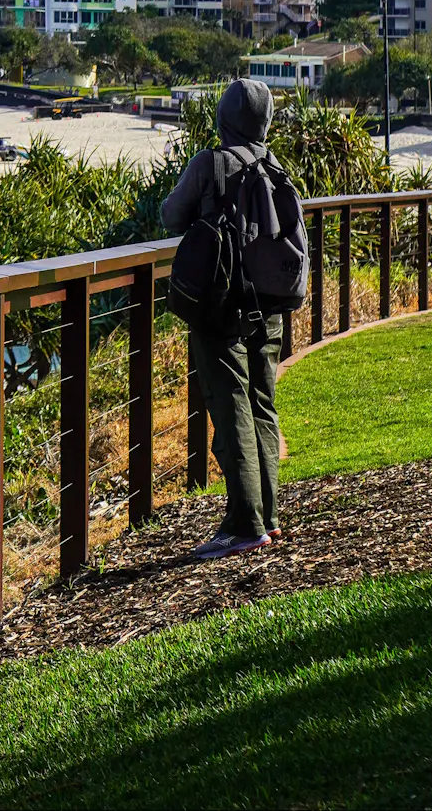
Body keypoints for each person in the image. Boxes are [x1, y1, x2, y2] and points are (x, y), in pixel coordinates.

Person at [161, 77, 285, 560]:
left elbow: (172, 217)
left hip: (221, 306)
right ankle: (267, 517)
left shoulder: (211, 164)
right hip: (268, 306)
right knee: (262, 403)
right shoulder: (275, 166)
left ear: (223, 119)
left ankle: (245, 524)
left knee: (230, 403)